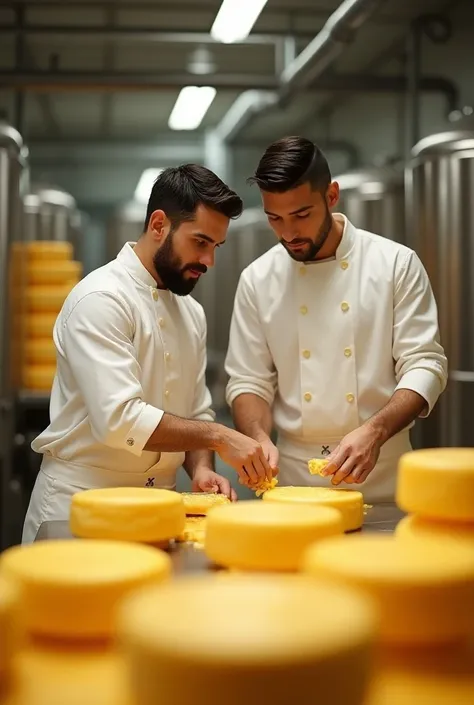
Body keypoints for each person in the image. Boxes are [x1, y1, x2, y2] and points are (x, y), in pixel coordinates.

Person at [22, 164, 272, 543]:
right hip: (84, 506)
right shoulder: (101, 299)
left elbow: (195, 411)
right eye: (200, 242)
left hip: (162, 509)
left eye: (216, 247)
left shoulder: (191, 312)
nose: (209, 261)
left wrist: (201, 467)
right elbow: (120, 419)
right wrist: (220, 436)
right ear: (159, 225)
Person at [225, 136, 448, 503]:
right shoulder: (257, 278)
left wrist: (374, 432)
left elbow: (425, 363)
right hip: (292, 481)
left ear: (331, 196)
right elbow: (249, 380)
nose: (289, 233)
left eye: (301, 215)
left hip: (384, 477)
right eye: (275, 219)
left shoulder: (394, 264)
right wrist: (259, 438)